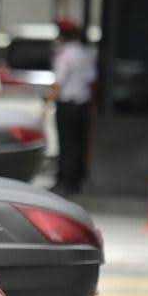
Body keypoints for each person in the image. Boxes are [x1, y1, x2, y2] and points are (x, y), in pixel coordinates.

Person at [50, 18, 96, 196]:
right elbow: (92, 80)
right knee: (79, 144)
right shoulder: (86, 54)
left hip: (67, 105)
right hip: (83, 105)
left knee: (66, 143)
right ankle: (76, 181)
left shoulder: (64, 55)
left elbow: (58, 82)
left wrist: (47, 102)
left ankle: (64, 181)